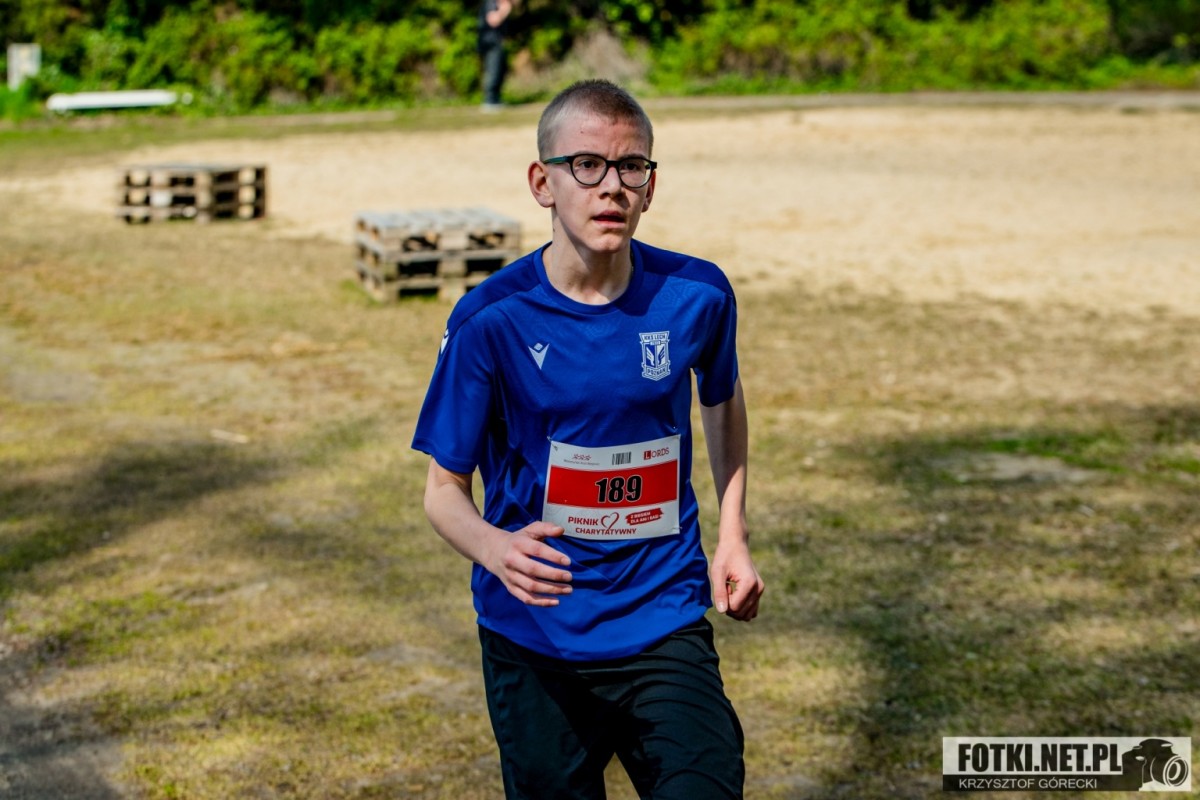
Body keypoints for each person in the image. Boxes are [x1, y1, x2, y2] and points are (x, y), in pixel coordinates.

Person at [411, 79, 765, 799]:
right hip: (536, 633)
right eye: (587, 165)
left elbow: (722, 400)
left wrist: (732, 536)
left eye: (631, 166)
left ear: (650, 186)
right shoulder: (490, 319)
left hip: (663, 616)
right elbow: (443, 492)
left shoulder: (698, 295)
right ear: (543, 183)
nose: (612, 187)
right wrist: (496, 549)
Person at [477, 0, 513, 110]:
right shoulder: (491, 2)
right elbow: (493, 20)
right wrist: (505, 9)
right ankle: (490, 101)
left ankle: (495, 99)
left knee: (500, 70)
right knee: (493, 71)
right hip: (491, 43)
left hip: (496, 42)